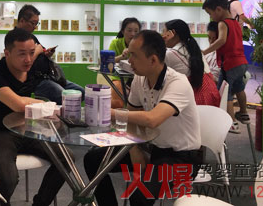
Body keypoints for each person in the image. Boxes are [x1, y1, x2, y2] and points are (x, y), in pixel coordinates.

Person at [84, 30, 201, 206]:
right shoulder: (140, 78)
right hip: (150, 148)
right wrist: (134, 150)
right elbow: (131, 117)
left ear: (153, 60)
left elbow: (153, 119)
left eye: (134, 55)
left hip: (180, 158)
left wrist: (113, 113)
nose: (128, 60)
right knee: (92, 160)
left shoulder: (178, 83)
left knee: (139, 194)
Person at [0, 27, 70, 206]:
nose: (28, 59)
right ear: (7, 53)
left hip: (24, 129)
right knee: (8, 178)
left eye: (31, 53)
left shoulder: (32, 69)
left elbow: (26, 101)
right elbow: (18, 105)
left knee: (67, 159)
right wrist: (45, 105)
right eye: (21, 54)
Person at [17, 4, 84, 104]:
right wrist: (37, 51)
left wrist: (46, 54)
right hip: (35, 82)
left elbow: (40, 52)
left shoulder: (31, 36)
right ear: (22, 21)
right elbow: (22, 64)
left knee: (81, 92)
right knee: (66, 98)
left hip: (50, 77)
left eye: (37, 23)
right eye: (33, 23)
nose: (35, 27)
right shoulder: (16, 39)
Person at [202, 0, 250, 134]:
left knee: (225, 93)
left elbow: (222, 40)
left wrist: (205, 51)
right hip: (242, 62)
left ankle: (232, 122)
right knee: (239, 88)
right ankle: (244, 113)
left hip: (230, 63)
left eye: (210, 14)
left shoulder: (222, 23)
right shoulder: (236, 23)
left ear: (218, 9)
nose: (211, 17)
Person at [162, 19, 220, 106]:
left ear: (172, 33)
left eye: (164, 32)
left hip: (197, 100)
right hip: (211, 96)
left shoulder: (171, 54)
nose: (162, 36)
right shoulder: (192, 47)